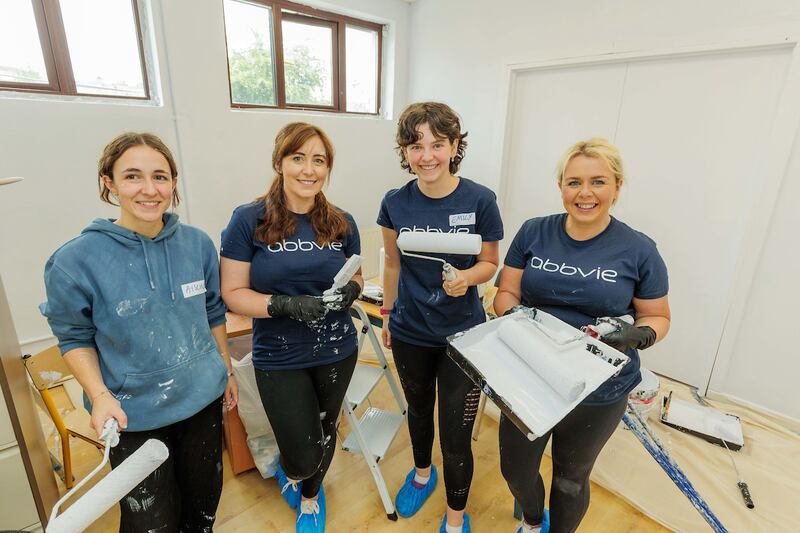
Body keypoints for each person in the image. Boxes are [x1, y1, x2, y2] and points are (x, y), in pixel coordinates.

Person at [41, 132, 238, 533]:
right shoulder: (74, 261)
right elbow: (74, 337)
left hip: (201, 403)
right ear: (109, 183)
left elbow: (213, 311)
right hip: (133, 415)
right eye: (132, 176)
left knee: (202, 511)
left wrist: (226, 370)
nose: (149, 190)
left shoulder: (197, 245)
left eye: (160, 177)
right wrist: (98, 397)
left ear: (174, 183)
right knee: (149, 522)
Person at [493, 138, 671, 533]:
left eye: (598, 182)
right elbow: (505, 293)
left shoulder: (639, 249)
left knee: (570, 480)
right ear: (560, 187)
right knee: (516, 471)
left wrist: (636, 335)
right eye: (573, 182)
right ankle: (534, 521)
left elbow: (658, 316)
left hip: (600, 385)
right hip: (531, 371)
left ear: (617, 187)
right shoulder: (534, 232)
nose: (585, 193)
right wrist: (514, 314)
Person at [219, 122, 362, 533]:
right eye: (298, 157)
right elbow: (232, 292)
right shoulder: (250, 219)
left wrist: (350, 291)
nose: (308, 169)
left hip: (337, 348)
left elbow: (354, 274)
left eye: (319, 160)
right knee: (301, 450)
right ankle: (296, 471)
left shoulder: (341, 222)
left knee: (325, 426)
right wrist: (284, 305)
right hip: (279, 354)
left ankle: (312, 497)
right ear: (280, 161)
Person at [378, 102, 503, 533]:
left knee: (455, 432)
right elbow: (392, 265)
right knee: (417, 409)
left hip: (462, 336)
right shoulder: (395, 202)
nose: (426, 155)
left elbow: (491, 263)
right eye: (416, 145)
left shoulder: (480, 199)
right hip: (412, 329)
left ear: (454, 146)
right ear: (405, 151)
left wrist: (467, 278)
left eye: (437, 144)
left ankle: (454, 518)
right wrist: (388, 313)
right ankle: (422, 475)